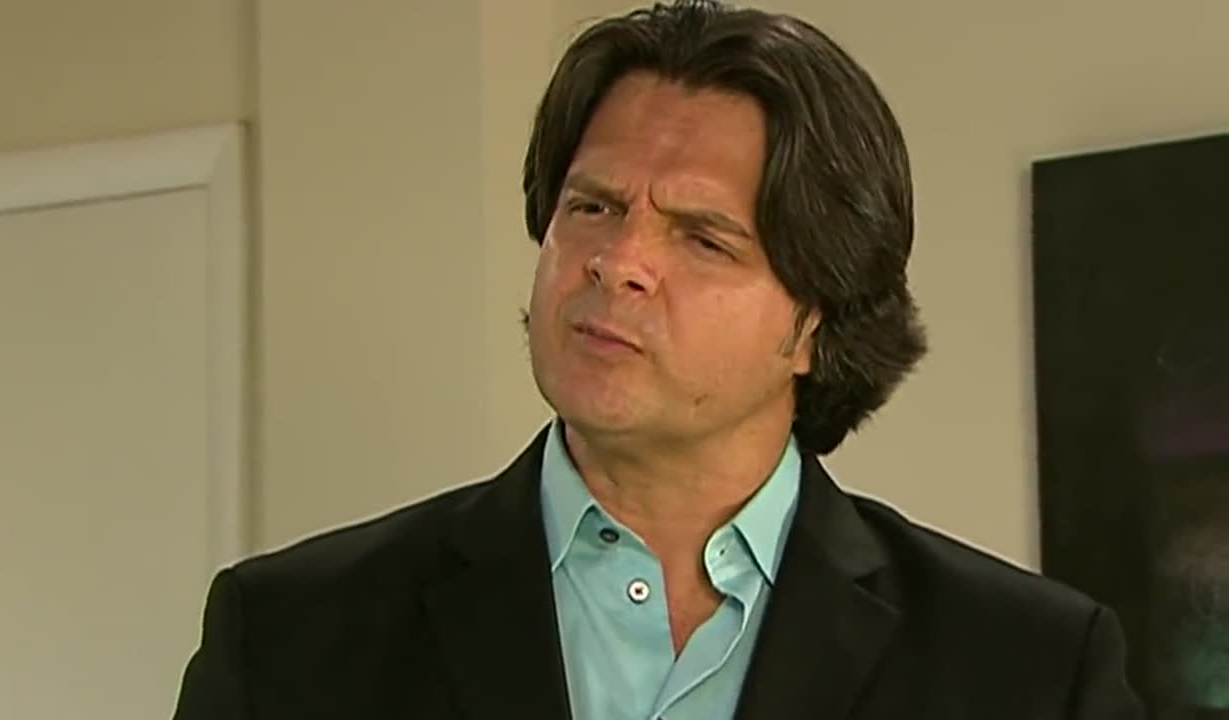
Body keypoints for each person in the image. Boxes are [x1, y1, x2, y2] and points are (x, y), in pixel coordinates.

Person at [173, 1, 1144, 717]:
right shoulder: (292, 637)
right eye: (592, 207)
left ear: (814, 323)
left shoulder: (1027, 669)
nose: (617, 261)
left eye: (702, 238)